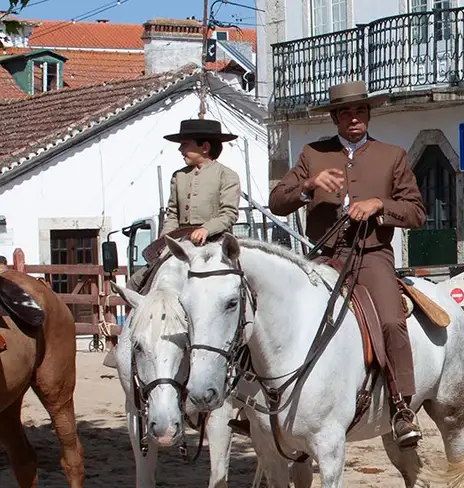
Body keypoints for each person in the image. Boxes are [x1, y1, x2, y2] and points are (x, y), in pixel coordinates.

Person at [268, 81, 428, 447]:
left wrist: (379, 206)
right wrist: (308, 185)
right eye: (346, 113)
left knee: (391, 320)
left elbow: (417, 212)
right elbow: (277, 201)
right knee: (274, 313)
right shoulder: (313, 153)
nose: (353, 118)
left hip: (371, 255)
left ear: (368, 115)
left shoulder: (393, 155)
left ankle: (402, 407)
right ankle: (261, 404)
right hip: (324, 256)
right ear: (336, 117)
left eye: (360, 111)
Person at [106, 118, 242, 368]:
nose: (180, 150)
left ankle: (242, 348)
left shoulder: (227, 176)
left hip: (214, 243)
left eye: (185, 144)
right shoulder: (178, 177)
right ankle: (128, 345)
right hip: (180, 242)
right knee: (140, 281)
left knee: (237, 290)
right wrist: (165, 242)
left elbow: (229, 214)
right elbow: (171, 215)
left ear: (205, 147)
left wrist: (206, 228)